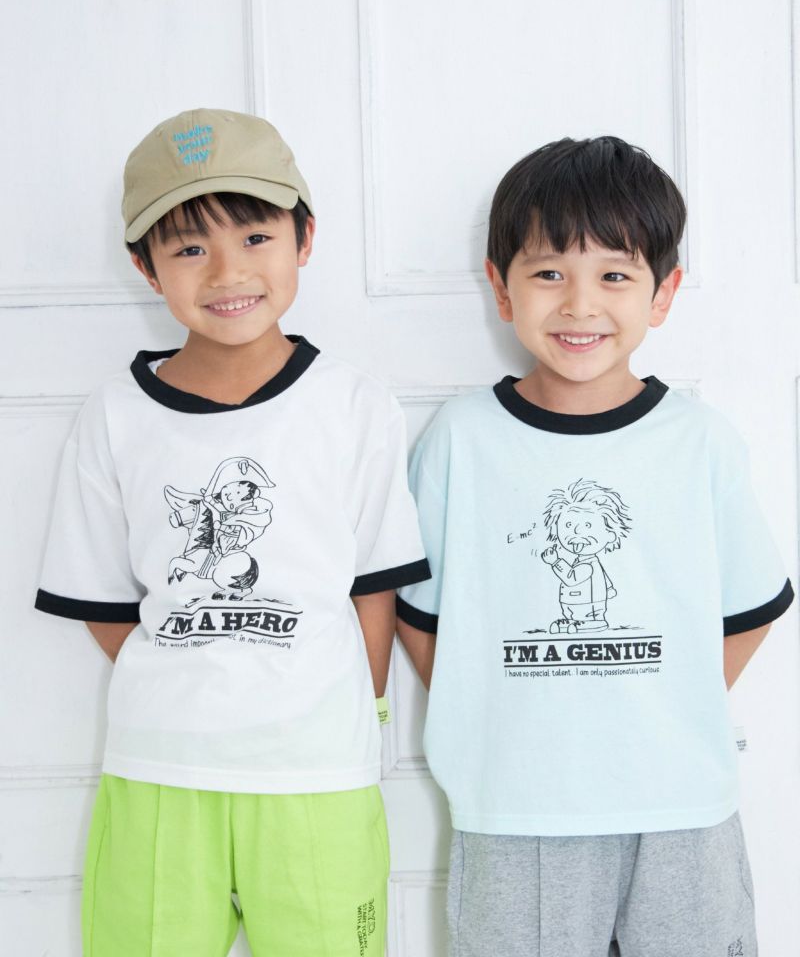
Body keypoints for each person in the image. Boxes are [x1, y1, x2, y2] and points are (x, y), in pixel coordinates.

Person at [35, 107, 430, 957]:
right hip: (159, 771)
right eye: (188, 248)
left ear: (304, 238)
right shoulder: (115, 417)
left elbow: (374, 588)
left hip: (317, 773)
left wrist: (351, 709)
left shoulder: (354, 407)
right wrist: (200, 674)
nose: (227, 271)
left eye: (255, 236)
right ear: (145, 267)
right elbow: (104, 603)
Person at [396, 136, 794, 956]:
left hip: (682, 811)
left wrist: (661, 696)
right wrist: (503, 706)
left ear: (663, 292)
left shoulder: (700, 441)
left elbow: (751, 608)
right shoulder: (461, 441)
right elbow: (419, 615)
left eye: (614, 275)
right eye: (549, 273)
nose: (580, 305)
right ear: (501, 288)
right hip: (516, 812)